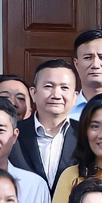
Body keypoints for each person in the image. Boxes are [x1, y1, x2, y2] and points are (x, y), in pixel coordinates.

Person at [29, 58, 85, 190]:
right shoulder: (13, 135)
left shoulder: (85, 135)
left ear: (74, 97)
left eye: (64, 88)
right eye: (48, 86)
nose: (56, 95)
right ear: (33, 93)